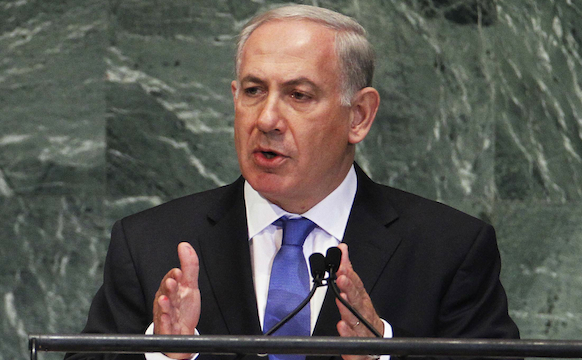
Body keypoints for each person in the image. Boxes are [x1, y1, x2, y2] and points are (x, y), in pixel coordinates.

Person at [65, 4, 519, 360]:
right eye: (253, 90)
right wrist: (164, 352)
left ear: (358, 116)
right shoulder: (149, 244)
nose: (266, 119)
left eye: (298, 95)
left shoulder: (450, 249)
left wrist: (380, 351)